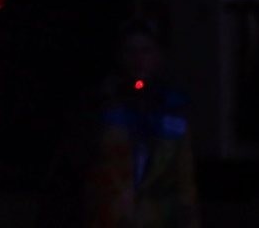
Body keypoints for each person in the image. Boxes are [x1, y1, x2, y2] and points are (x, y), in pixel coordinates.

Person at [84, 22, 198, 228]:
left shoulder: (172, 108)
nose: (139, 59)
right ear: (120, 56)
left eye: (146, 51)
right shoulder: (102, 106)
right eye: (131, 51)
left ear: (158, 56)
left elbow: (184, 179)